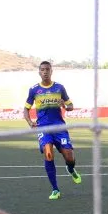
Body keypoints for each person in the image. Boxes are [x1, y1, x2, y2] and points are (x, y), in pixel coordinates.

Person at [23, 61, 82, 200]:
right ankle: (55, 189)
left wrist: (65, 106)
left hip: (59, 127)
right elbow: (26, 109)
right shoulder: (34, 90)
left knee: (69, 156)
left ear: (51, 71)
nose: (45, 72)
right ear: (39, 72)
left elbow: (71, 106)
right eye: (42, 69)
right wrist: (30, 122)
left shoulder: (59, 87)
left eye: (47, 69)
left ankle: (71, 169)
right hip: (44, 128)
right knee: (48, 154)